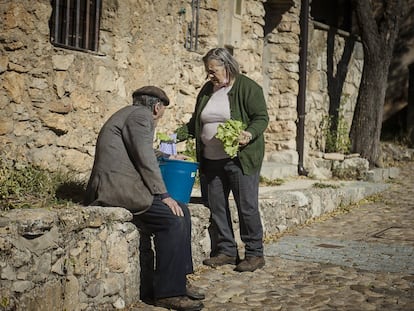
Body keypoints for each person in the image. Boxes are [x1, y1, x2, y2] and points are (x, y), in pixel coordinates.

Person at [84, 86, 204, 311]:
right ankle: (169, 293)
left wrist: (168, 155)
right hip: (117, 189)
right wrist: (163, 194)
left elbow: (140, 148)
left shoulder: (130, 114)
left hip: (119, 185)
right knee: (173, 217)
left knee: (182, 210)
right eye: (163, 111)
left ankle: (178, 280)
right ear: (157, 107)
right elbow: (145, 156)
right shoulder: (141, 116)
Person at [176, 48, 269, 272]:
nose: (209, 75)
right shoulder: (208, 90)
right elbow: (196, 123)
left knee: (246, 206)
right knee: (216, 206)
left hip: (240, 159)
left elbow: (261, 117)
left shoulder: (247, 87)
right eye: (208, 71)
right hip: (211, 159)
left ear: (227, 66)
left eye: (213, 70)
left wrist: (248, 134)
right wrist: (173, 136)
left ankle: (255, 254)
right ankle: (227, 250)